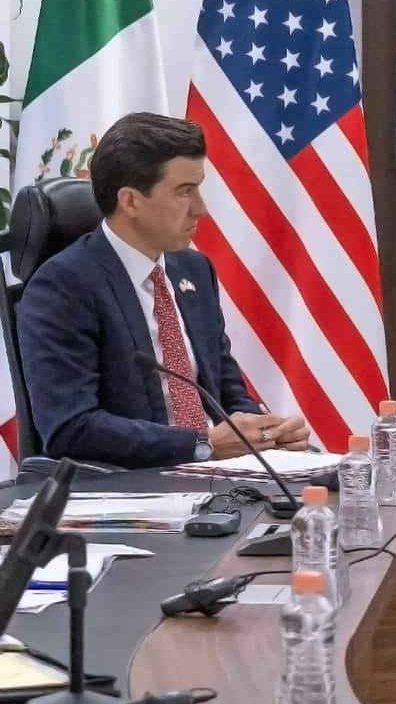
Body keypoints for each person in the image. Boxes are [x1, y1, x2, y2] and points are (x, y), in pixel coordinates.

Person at [17, 113, 309, 468]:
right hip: (128, 491)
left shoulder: (194, 270)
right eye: (185, 192)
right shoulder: (63, 286)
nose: (201, 208)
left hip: (212, 480)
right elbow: (70, 428)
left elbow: (227, 392)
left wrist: (267, 434)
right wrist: (201, 445)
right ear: (131, 202)